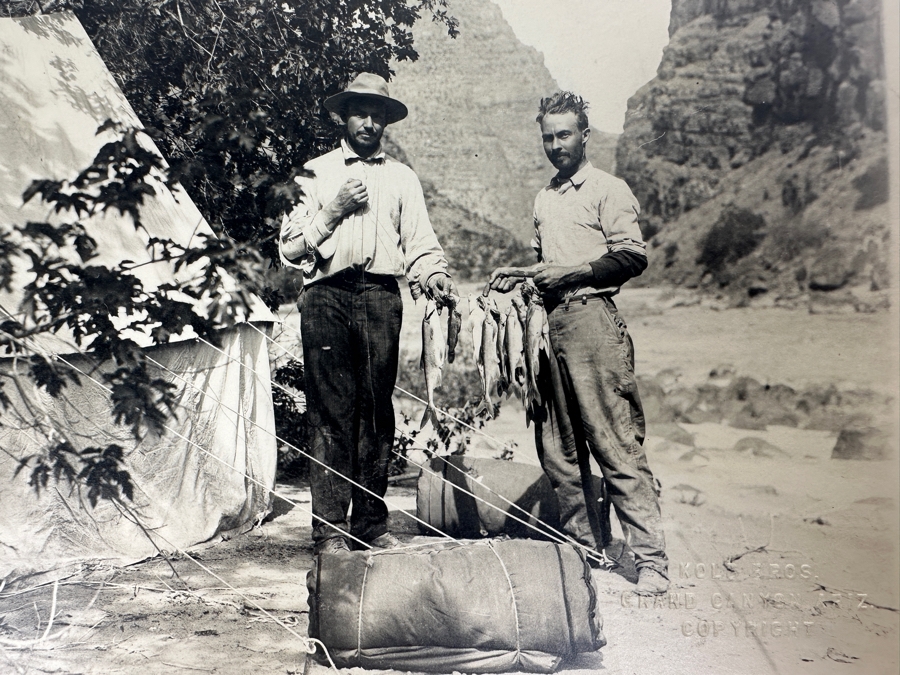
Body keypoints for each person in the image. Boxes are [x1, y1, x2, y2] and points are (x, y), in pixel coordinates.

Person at [488, 91, 668, 595]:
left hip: (594, 322)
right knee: (559, 450)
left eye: (564, 135)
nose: (555, 145)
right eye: (547, 137)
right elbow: (546, 269)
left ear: (584, 135)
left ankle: (651, 561)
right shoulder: (545, 198)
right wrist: (523, 279)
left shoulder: (609, 189)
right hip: (548, 328)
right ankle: (586, 550)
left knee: (613, 442)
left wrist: (574, 271)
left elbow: (632, 257)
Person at [280, 73, 457, 555]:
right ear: (344, 115)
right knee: (330, 412)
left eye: (377, 113)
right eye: (360, 111)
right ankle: (331, 530)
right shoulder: (313, 174)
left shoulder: (402, 178)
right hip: (326, 297)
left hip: (381, 295)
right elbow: (291, 250)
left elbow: (421, 245)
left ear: (386, 120)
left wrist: (434, 275)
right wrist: (332, 211)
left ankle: (370, 525)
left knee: (377, 412)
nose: (369, 121)